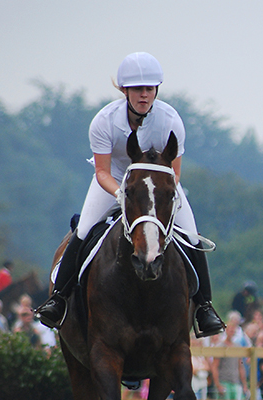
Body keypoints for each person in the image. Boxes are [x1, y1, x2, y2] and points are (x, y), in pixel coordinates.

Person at [35, 52, 225, 337]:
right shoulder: (104, 121)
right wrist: (123, 195)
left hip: (160, 185)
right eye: (138, 89)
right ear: (124, 90)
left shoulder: (171, 120)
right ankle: (58, 299)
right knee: (84, 230)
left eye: (149, 89)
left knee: (193, 236)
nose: (144, 95)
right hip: (114, 181)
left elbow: (174, 174)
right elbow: (101, 172)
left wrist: (156, 201)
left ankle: (205, 308)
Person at [210, 322, 249, 400]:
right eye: (230, 330)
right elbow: (214, 366)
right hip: (224, 381)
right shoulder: (220, 346)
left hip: (236, 382)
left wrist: (244, 385)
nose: (231, 332)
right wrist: (218, 384)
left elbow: (241, 367)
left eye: (233, 330)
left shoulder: (237, 347)